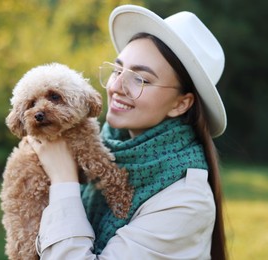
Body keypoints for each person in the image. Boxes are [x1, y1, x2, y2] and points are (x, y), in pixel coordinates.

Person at [29, 4, 228, 260]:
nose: (117, 86)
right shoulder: (106, 147)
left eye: (141, 79)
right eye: (117, 69)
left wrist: (63, 179)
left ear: (181, 104)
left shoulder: (185, 201)